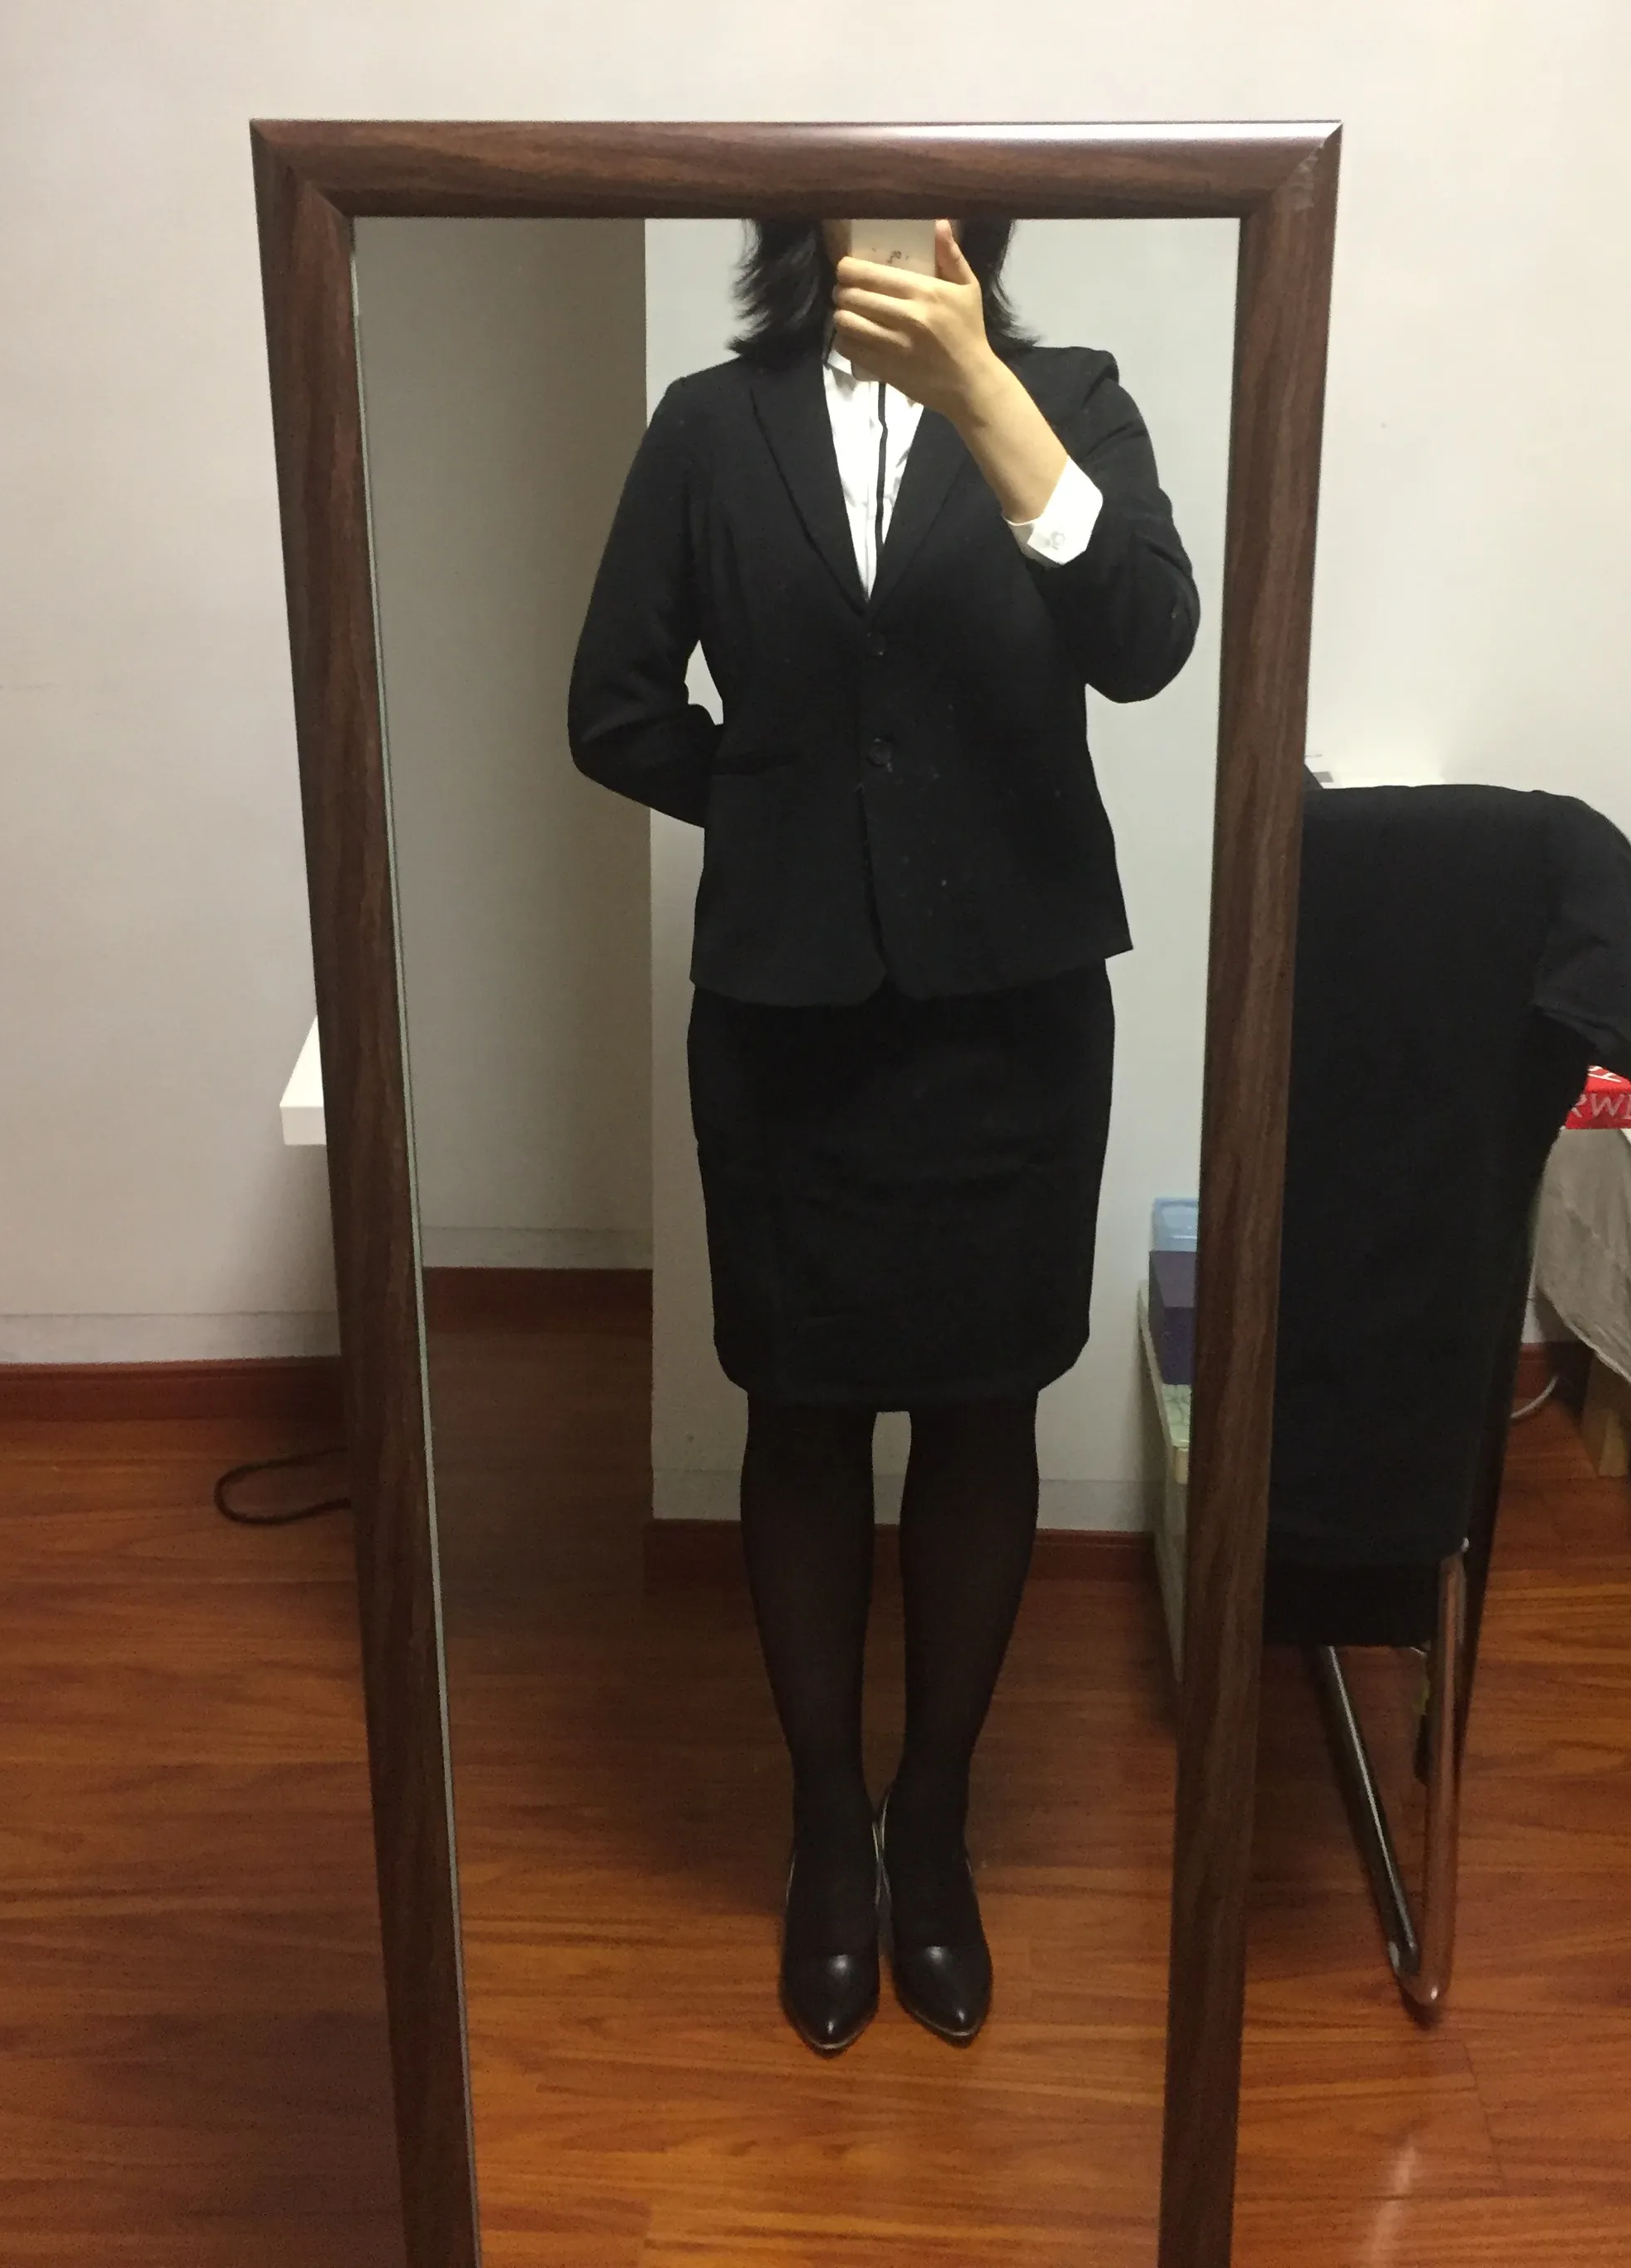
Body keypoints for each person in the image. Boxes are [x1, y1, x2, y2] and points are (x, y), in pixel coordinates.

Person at [569, 216, 1197, 2054]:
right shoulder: (711, 427)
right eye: (857, 186)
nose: (901, 217)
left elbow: (1147, 641)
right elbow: (614, 708)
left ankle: (935, 1823)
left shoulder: (1066, 399)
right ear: (798, 222)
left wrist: (986, 393)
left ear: (978, 227)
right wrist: (790, 809)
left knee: (984, 1409)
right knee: (804, 1412)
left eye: (938, 191)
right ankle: (827, 1832)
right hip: (789, 1017)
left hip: (1011, 1016)